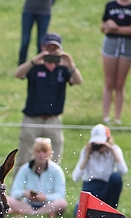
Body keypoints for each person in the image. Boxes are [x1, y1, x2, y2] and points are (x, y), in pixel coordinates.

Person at [13, 32, 82, 166]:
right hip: (32, 118)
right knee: (23, 158)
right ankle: (19, 186)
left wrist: (71, 64)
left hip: (53, 119)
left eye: (54, 48)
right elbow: (18, 74)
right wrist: (34, 61)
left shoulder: (63, 69)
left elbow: (78, 81)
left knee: (55, 159)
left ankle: (52, 186)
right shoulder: (35, 67)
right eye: (48, 48)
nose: (51, 51)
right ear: (43, 47)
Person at [101, 0, 131, 125]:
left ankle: (117, 116)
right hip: (110, 43)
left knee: (120, 83)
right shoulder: (110, 5)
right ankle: (105, 115)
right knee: (109, 81)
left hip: (127, 44)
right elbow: (103, 26)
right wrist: (107, 26)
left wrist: (115, 28)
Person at [71, 124, 128, 210]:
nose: (98, 147)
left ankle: (111, 210)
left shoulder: (115, 150)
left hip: (106, 186)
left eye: (101, 144)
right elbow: (75, 177)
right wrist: (87, 157)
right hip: (90, 186)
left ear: (108, 140)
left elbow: (123, 171)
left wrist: (111, 150)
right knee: (79, 214)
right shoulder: (86, 152)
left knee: (116, 177)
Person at [7, 138, 67, 218]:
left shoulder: (56, 170)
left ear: (49, 153)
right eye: (38, 152)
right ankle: (37, 213)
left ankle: (32, 213)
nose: (41, 155)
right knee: (7, 199)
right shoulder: (25, 169)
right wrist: (25, 193)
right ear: (33, 153)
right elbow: (14, 191)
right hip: (27, 203)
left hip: (47, 203)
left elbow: (60, 194)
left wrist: (45, 197)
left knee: (62, 203)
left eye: (44, 152)